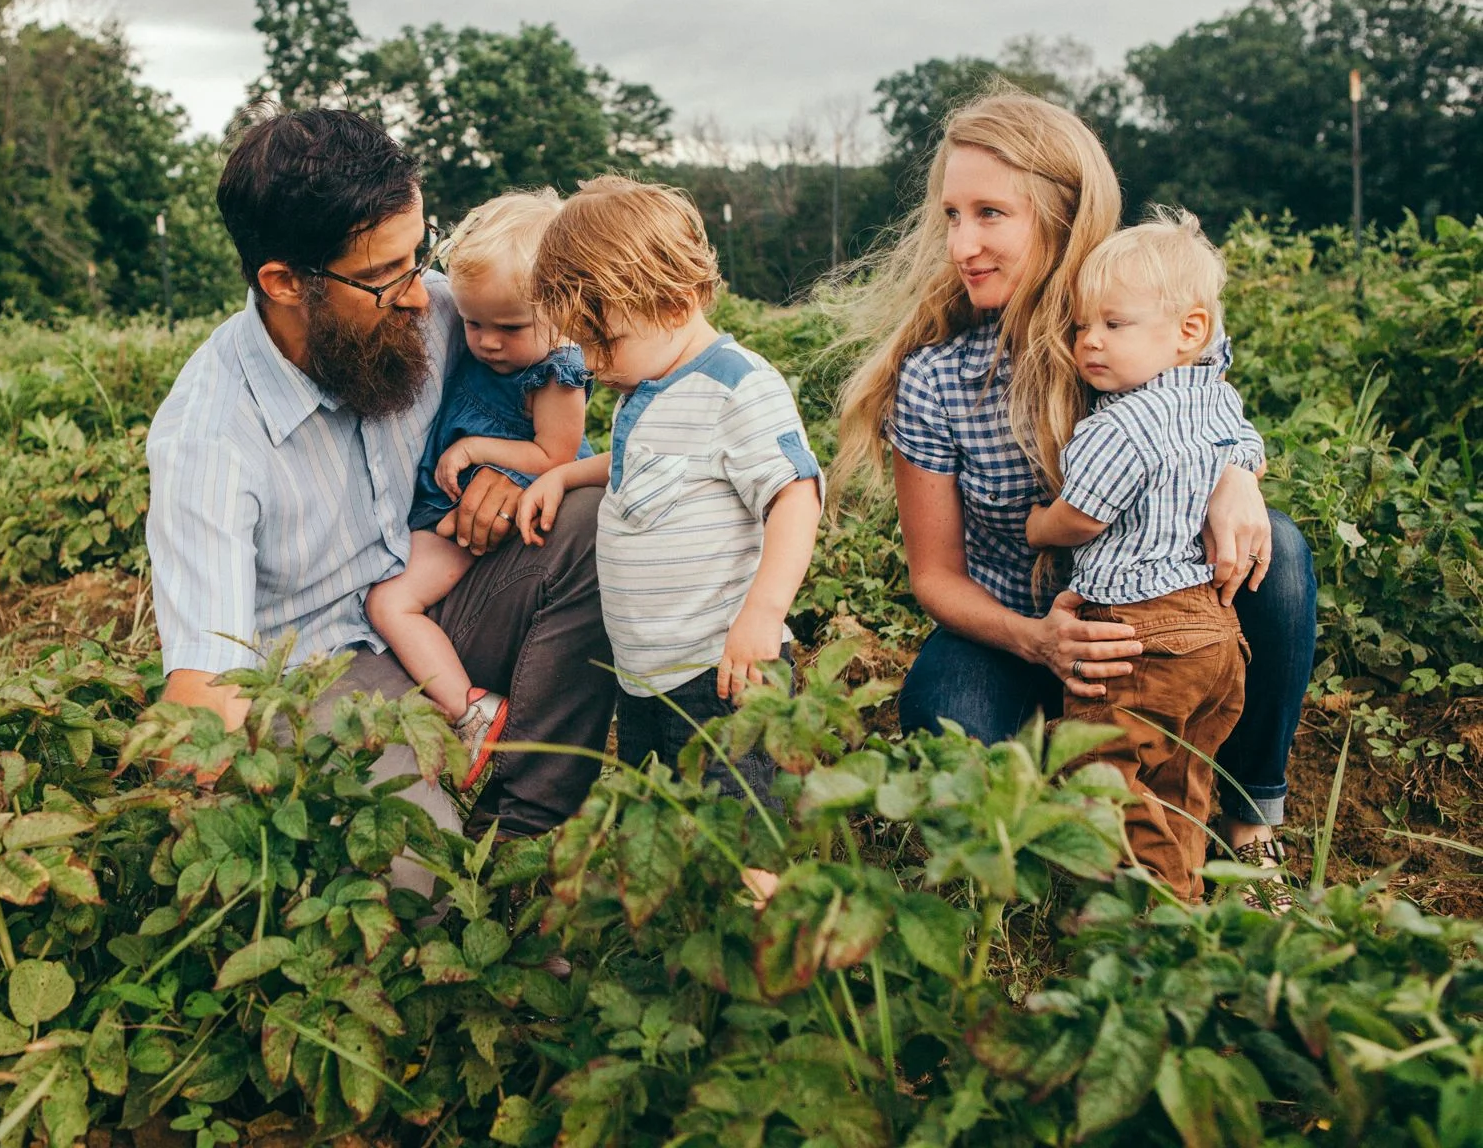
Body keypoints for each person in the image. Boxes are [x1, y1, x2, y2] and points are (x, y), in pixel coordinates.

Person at [830, 89, 1317, 886]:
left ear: (1061, 214)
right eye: (952, 216)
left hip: (1160, 616)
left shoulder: (1140, 312)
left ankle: (1249, 810)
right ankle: (1086, 786)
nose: (962, 244)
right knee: (944, 713)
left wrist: (1238, 474)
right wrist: (1040, 641)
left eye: (991, 213)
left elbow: (1214, 410)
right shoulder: (938, 378)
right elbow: (935, 577)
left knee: (1282, 553)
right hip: (1016, 624)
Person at [145, 105, 615, 859]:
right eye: (383, 276)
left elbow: (557, 399)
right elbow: (208, 686)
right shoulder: (209, 439)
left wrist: (517, 478)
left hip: (440, 592)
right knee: (417, 870)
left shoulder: (442, 312)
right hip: (327, 669)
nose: (423, 296)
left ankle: (527, 835)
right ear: (284, 282)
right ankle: (450, 861)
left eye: (418, 256)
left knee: (591, 517)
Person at [517, 176, 823, 803]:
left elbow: (796, 495)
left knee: (730, 828)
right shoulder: (651, 384)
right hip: (645, 676)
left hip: (722, 673)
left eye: (607, 342)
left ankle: (757, 902)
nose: (594, 364)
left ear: (677, 303)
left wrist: (761, 618)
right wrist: (566, 472)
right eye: (584, 343)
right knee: (656, 821)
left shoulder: (738, 387)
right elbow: (647, 463)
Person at [1025, 210, 1251, 902]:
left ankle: (1154, 915)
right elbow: (1250, 449)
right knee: (1179, 780)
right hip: (1216, 636)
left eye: (1113, 326)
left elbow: (1082, 516)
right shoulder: (1218, 398)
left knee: (1097, 767)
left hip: (1140, 634)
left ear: (1189, 331)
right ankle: (1185, 905)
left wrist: (1038, 525)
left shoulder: (1118, 424)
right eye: (1080, 326)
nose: (1088, 343)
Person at [366, 189, 592, 787]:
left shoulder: (556, 373)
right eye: (473, 323)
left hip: (498, 503)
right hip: (452, 503)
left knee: (390, 603)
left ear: (563, 311)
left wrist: (477, 450)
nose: (488, 342)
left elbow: (557, 454)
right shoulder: (489, 346)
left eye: (510, 327)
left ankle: (470, 710)